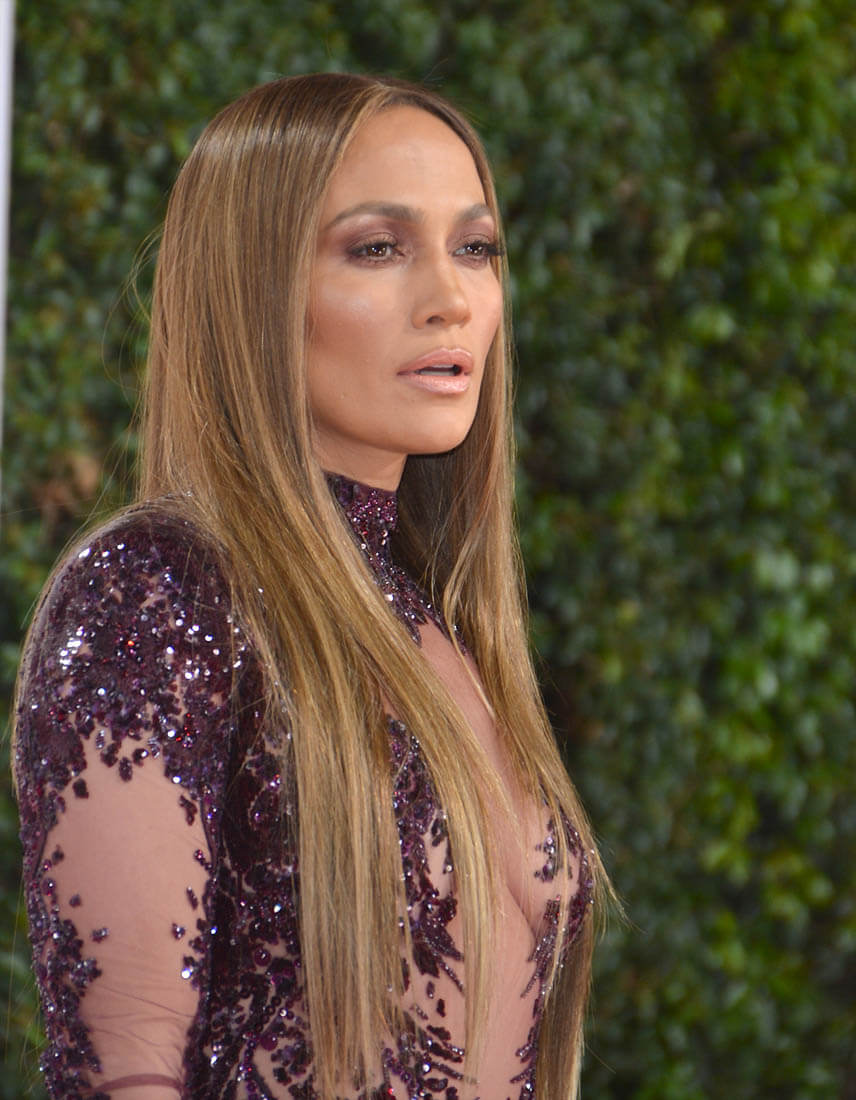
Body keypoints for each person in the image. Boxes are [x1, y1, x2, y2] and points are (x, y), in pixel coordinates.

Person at [13, 73, 607, 1100]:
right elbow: (123, 1061)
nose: (451, 297)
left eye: (475, 248)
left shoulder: (436, 624)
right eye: (377, 248)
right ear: (256, 289)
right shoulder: (156, 589)